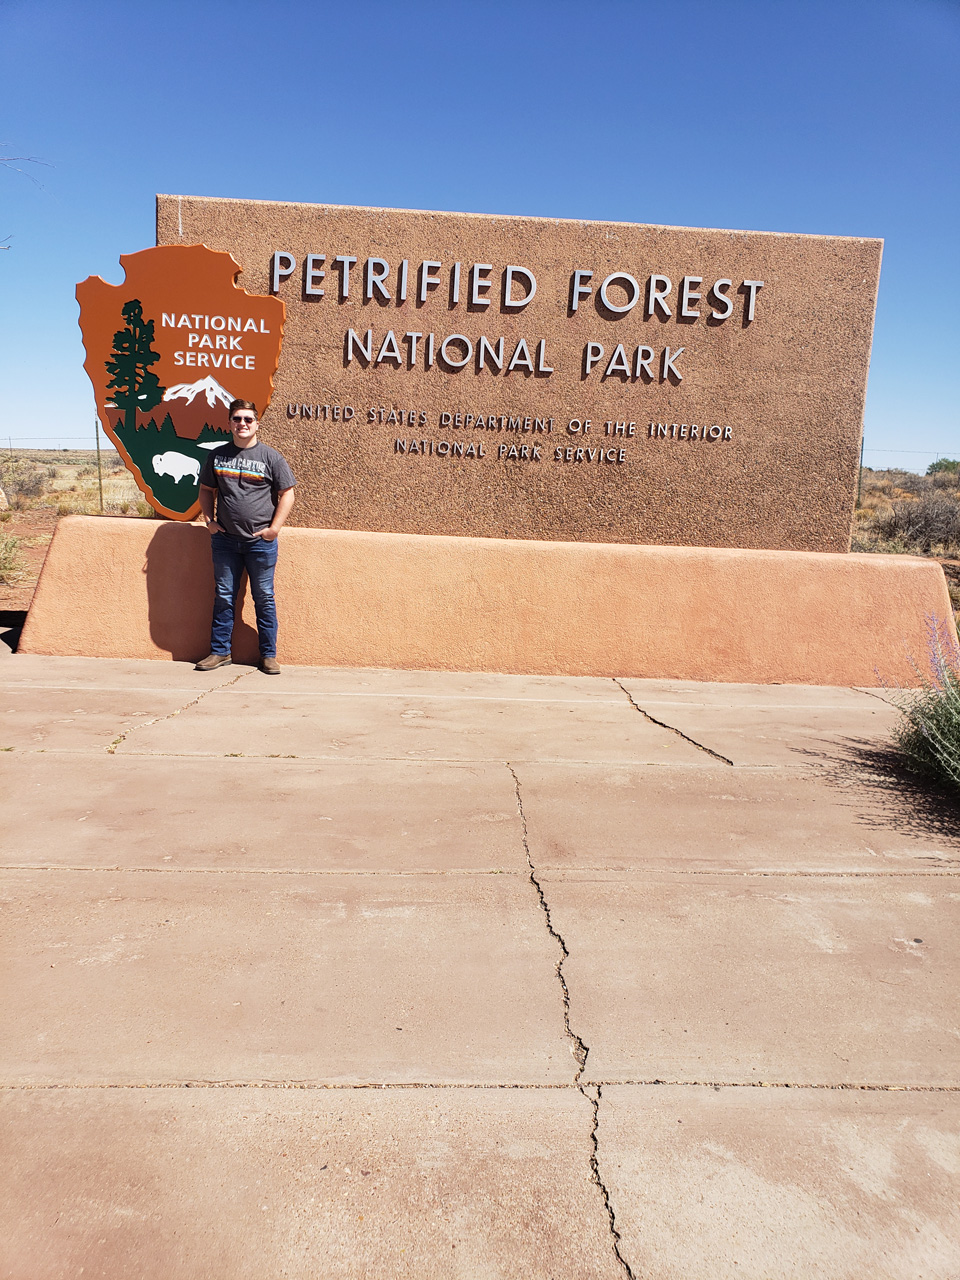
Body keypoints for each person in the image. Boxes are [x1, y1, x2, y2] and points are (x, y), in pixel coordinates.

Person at [194, 400, 296, 675]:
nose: (242, 424)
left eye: (248, 419)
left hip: (260, 543)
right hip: (225, 541)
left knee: (263, 597)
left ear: (257, 424)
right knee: (224, 596)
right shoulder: (217, 456)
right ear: (229, 423)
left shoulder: (271, 458)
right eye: (237, 419)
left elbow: (288, 493)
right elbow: (205, 490)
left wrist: (274, 529)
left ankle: (268, 655)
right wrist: (209, 520)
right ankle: (220, 651)